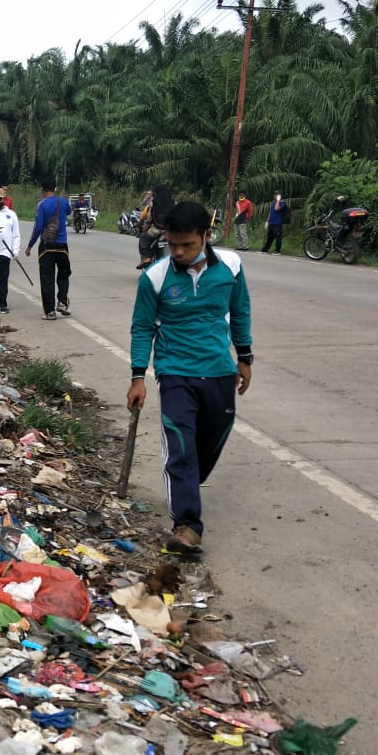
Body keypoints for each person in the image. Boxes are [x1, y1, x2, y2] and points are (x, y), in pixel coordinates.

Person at [126, 201, 253, 557]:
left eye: (187, 245)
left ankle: (188, 483)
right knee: (180, 446)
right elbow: (142, 328)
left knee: (211, 441)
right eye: (172, 245)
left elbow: (240, 310)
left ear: (206, 236)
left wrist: (244, 357)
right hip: (175, 371)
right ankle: (187, 524)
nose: (179, 252)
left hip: (219, 371)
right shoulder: (155, 277)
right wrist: (139, 376)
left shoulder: (230, 265)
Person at [25, 181, 72, 319]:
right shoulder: (62, 201)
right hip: (62, 246)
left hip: (46, 247)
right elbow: (69, 211)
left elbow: (38, 228)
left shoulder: (42, 205)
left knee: (47, 278)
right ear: (54, 189)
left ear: (42, 190)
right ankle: (62, 302)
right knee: (64, 274)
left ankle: (50, 312)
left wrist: (30, 246)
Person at [137, 184, 173, 270]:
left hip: (157, 230)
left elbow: (149, 220)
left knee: (143, 237)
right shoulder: (173, 203)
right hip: (171, 231)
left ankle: (147, 257)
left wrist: (143, 229)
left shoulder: (154, 205)